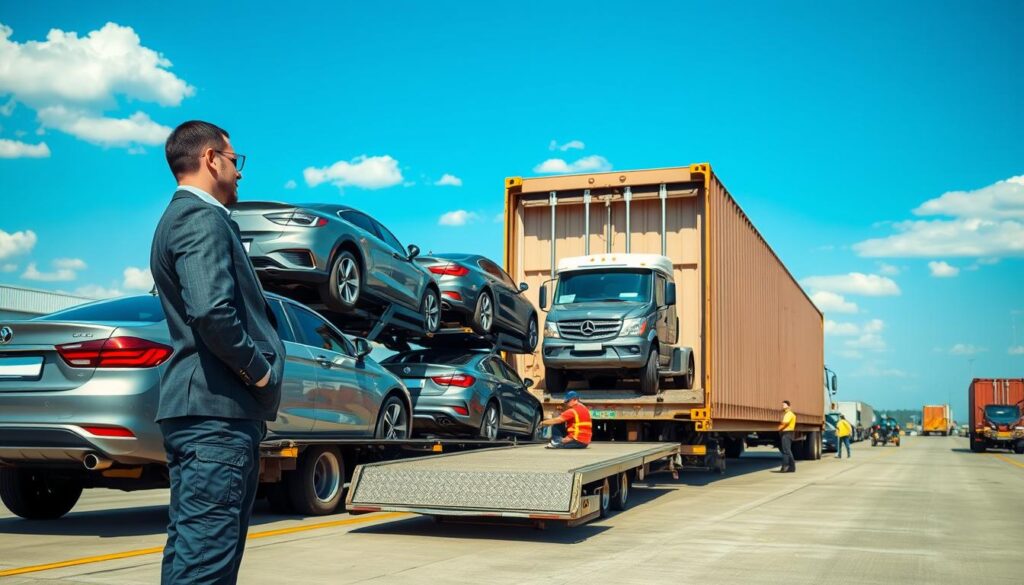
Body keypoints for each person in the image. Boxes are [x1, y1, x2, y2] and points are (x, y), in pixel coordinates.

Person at [150, 120, 284, 585]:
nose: (239, 172)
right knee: (207, 565)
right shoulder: (200, 218)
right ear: (211, 159)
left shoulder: (177, 218)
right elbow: (211, 311)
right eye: (234, 160)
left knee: (191, 552)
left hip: (201, 415)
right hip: (216, 417)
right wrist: (260, 372)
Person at [777, 400, 796, 472]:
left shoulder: (789, 414)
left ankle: (786, 467)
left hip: (787, 433)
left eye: (784, 405)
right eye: (782, 405)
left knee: (786, 450)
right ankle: (791, 467)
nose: (783, 406)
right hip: (788, 433)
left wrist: (779, 428)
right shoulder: (788, 414)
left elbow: (785, 423)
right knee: (787, 450)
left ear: (788, 406)